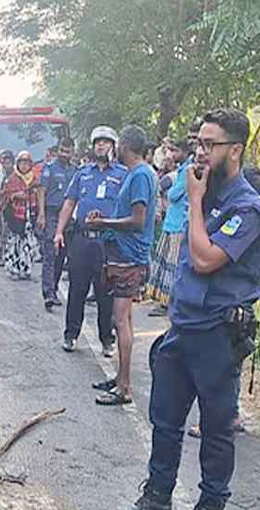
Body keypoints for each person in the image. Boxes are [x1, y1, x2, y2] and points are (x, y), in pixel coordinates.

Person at [131, 109, 260, 510]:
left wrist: (197, 200)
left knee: (217, 433)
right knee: (165, 423)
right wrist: (199, 200)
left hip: (217, 338)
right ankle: (157, 495)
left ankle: (212, 502)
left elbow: (205, 260)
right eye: (197, 144)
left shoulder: (246, 207)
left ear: (235, 150)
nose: (199, 154)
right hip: (182, 329)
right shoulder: (204, 195)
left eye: (210, 145)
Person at [85, 126, 157, 406]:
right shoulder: (138, 174)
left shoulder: (139, 175)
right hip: (124, 254)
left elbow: (137, 220)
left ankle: (125, 386)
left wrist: (103, 223)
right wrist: (105, 218)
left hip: (130, 257)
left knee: (121, 320)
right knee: (124, 321)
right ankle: (120, 377)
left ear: (124, 145)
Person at [54, 126, 127, 355]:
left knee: (105, 292)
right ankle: (71, 335)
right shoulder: (83, 173)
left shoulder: (123, 175)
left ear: (113, 147)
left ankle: (107, 339)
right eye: (97, 142)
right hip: (82, 239)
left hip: (108, 242)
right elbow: (69, 203)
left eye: (105, 142)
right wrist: (59, 231)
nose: (100, 146)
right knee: (77, 289)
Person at [146, 140, 188, 317]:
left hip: (178, 223)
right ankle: (163, 301)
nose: (170, 153)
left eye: (174, 150)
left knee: (171, 264)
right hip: (172, 221)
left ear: (184, 152)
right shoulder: (181, 169)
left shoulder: (187, 171)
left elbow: (174, 194)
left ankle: (167, 303)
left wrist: (169, 192)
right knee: (165, 262)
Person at [37, 137, 76, 310]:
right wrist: (41, 214)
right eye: (62, 150)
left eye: (67, 151)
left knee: (61, 255)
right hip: (51, 213)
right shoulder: (50, 168)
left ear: (72, 152)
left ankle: (53, 287)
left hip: (68, 217)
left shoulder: (76, 171)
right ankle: (48, 293)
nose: (64, 154)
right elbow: (41, 191)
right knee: (50, 253)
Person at [0, 150, 41, 280]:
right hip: (15, 217)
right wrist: (15, 196)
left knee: (28, 244)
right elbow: (4, 197)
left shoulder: (35, 179)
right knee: (15, 244)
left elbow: (40, 196)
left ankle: (26, 269)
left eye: (27, 163)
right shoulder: (12, 179)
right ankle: (14, 269)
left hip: (29, 216)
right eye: (22, 163)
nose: (24, 166)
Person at [0, 149, 15, 266]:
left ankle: (6, 258)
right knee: (3, 234)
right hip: (3, 208)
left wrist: (2, 192)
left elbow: (10, 192)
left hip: (10, 210)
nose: (6, 166)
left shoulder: (13, 177)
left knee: (7, 235)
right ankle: (2, 254)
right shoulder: (5, 176)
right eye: (4, 163)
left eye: (8, 163)